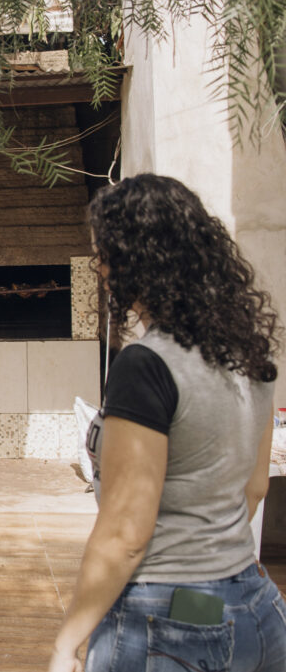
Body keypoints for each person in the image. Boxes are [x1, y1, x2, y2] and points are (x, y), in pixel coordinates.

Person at [48, 174, 286, 672]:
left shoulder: (146, 364)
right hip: (255, 606)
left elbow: (127, 532)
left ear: (140, 259)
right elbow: (255, 487)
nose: (102, 270)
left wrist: (69, 639)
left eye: (106, 255)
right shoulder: (249, 353)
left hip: (166, 621)